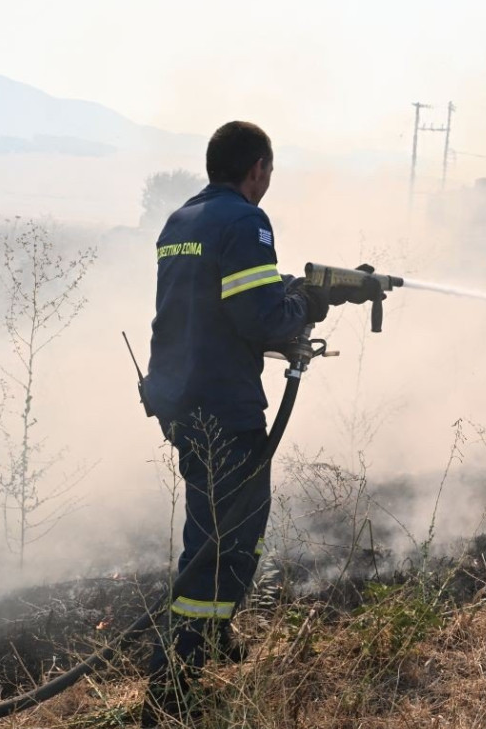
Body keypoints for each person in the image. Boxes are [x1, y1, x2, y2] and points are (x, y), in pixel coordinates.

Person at [137, 121, 329, 725]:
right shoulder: (247, 222)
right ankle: (176, 684)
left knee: (212, 529)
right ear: (257, 170)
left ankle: (210, 642)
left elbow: (215, 310)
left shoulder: (182, 222)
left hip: (183, 401)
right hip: (224, 405)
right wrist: (306, 304)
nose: (266, 183)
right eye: (267, 173)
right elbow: (259, 319)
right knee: (225, 543)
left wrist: (284, 295)